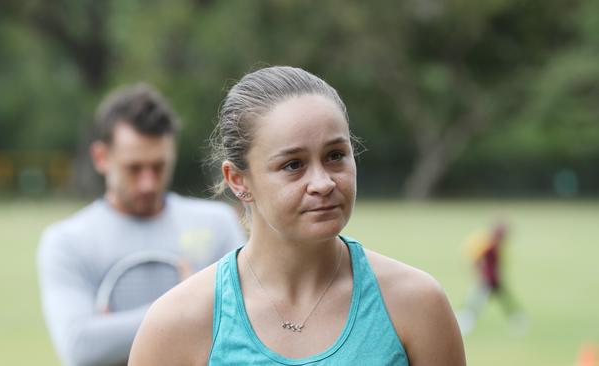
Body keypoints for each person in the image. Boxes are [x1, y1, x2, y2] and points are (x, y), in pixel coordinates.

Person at [129, 66, 466, 365]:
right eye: (293, 165)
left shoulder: (416, 303)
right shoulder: (177, 323)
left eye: (335, 156)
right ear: (238, 180)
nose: (322, 182)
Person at [37, 83, 245, 366]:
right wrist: (194, 304)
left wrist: (116, 329)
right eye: (134, 168)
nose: (148, 183)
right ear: (101, 157)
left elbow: (247, 325)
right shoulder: (66, 240)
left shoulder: (217, 223)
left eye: (158, 167)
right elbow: (81, 347)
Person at [456, 222, 527, 336]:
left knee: (480, 303)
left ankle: (517, 318)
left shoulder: (494, 246)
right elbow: (476, 261)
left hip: (492, 280)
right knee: (476, 303)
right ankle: (465, 322)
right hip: (487, 281)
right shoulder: (489, 246)